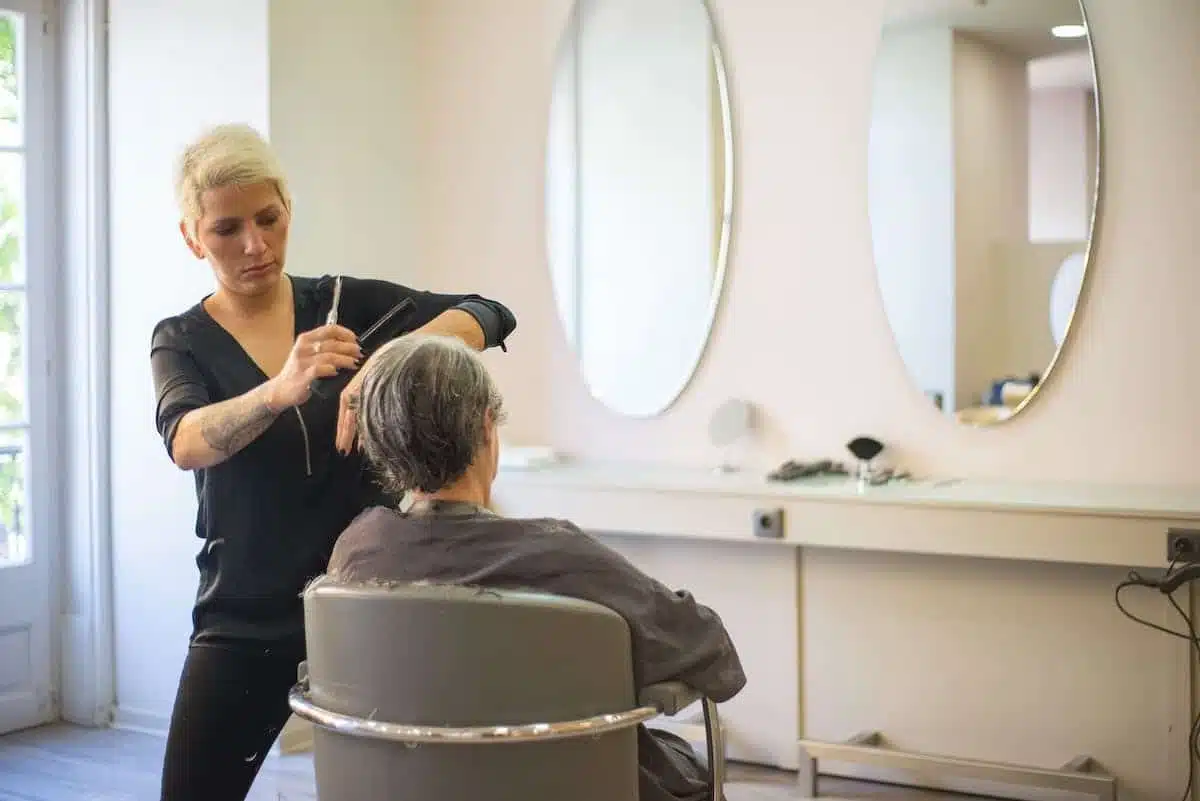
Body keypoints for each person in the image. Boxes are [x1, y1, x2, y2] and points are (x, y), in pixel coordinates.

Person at [149, 122, 517, 801]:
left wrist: (388, 360)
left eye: (269, 217)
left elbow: (490, 313)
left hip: (366, 608)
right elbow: (184, 438)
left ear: (288, 205)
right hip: (244, 618)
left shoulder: (347, 305)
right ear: (192, 236)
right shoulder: (182, 340)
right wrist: (276, 392)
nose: (256, 245)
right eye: (228, 228)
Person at [327, 333, 746, 801]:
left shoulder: (357, 552)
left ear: (381, 441)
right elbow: (708, 650)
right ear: (487, 427)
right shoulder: (559, 556)